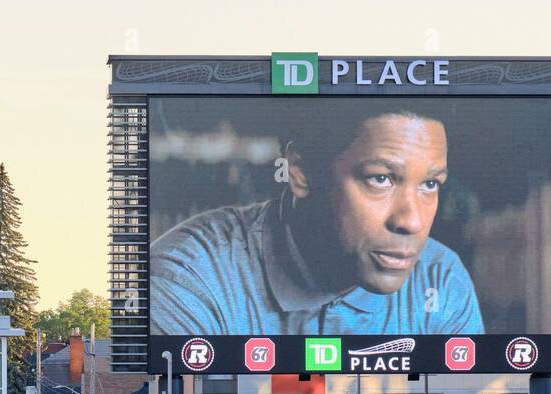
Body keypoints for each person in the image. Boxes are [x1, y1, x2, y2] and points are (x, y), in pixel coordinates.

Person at [151, 101, 483, 337]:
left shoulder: (441, 278)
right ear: (301, 172)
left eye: (429, 184)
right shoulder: (188, 278)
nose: (411, 222)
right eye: (381, 179)